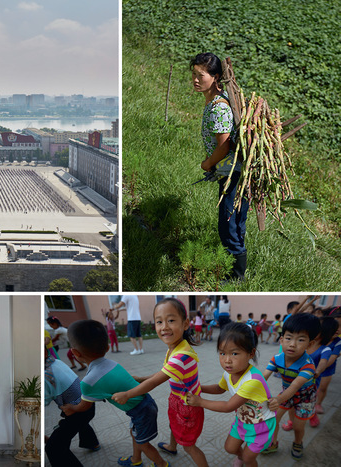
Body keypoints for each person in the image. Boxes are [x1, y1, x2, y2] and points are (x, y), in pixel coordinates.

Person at [113, 299, 208, 467]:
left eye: (171, 320)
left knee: (189, 447)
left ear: (185, 324)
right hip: (178, 399)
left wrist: (128, 394)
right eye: (159, 321)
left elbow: (155, 382)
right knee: (174, 424)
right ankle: (172, 446)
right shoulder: (176, 347)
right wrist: (141, 379)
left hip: (188, 405)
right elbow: (163, 373)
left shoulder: (181, 357)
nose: (164, 326)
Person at [60, 320, 168, 467]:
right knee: (134, 434)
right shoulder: (112, 363)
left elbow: (84, 407)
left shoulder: (88, 382)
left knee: (143, 443)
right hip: (144, 404)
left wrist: (70, 408)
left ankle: (161, 464)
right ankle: (136, 460)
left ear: (75, 353)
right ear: (108, 346)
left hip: (140, 411)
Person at [191, 52, 248, 280]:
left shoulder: (219, 107)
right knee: (234, 221)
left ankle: (235, 277)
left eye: (200, 75)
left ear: (215, 77)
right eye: (193, 74)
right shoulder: (214, 101)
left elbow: (224, 146)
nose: (195, 79)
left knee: (228, 225)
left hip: (232, 172)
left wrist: (207, 164)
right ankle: (237, 272)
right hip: (231, 171)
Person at [187, 323, 277, 467]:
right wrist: (198, 388)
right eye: (222, 353)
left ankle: (246, 460)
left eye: (234, 353)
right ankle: (241, 458)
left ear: (251, 353)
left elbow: (228, 406)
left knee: (249, 459)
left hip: (261, 426)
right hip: (243, 420)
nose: (227, 360)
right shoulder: (229, 373)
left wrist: (200, 402)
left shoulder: (253, 380)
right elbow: (219, 388)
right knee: (230, 448)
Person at [261, 313, 321, 459]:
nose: (293, 344)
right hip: (286, 393)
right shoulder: (276, 359)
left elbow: (294, 387)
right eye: (288, 338)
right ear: (281, 340)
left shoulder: (308, 365)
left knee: (298, 426)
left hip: (305, 397)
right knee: (273, 419)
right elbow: (263, 378)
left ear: (310, 344)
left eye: (300, 340)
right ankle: (272, 443)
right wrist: (249, 390)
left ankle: (298, 442)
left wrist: (277, 400)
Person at [45, 348, 100, 467]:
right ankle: (92, 443)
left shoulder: (47, 374)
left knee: (54, 447)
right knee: (81, 423)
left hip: (79, 411)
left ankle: (90, 443)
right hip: (88, 404)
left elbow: (42, 401)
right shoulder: (57, 362)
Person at [307, 317, 339, 427]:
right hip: (301, 377)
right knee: (293, 402)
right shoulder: (307, 342)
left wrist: (317, 372)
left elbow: (327, 361)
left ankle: (313, 413)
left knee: (310, 400)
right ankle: (292, 421)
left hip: (316, 376)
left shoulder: (329, 346)